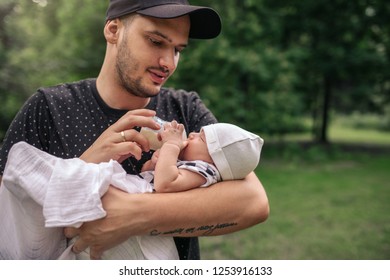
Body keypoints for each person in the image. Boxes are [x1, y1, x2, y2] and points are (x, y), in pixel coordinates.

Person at [0, 0, 269, 260]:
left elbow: (253, 202)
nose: (169, 63)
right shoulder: (49, 108)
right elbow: (7, 210)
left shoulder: (185, 108)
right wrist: (86, 164)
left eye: (178, 50)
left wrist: (132, 216)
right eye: (156, 41)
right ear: (113, 30)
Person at [0, 119, 263, 259]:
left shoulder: (204, 172)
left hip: (136, 197)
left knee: (87, 180)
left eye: (201, 138)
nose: (191, 135)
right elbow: (157, 175)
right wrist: (155, 160)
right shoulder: (45, 107)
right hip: (136, 191)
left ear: (215, 159)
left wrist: (171, 146)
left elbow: (164, 184)